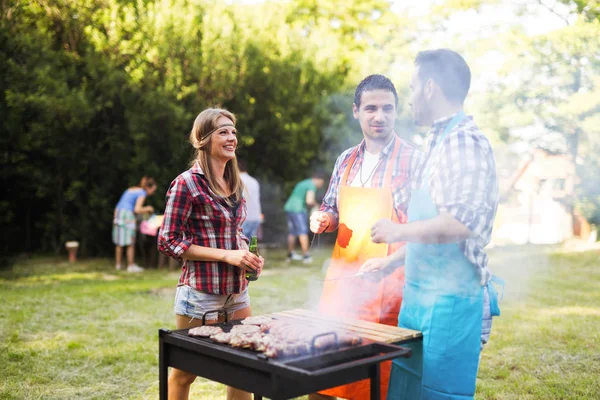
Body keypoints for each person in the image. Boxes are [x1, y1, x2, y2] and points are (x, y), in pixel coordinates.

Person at [363, 49, 503, 400]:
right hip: (419, 296)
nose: (409, 99)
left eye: (411, 88)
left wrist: (397, 232)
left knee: (440, 394)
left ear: (429, 88)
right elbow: (430, 226)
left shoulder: (464, 141)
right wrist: (391, 261)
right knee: (407, 389)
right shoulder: (437, 142)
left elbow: (460, 222)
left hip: (452, 302)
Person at [309, 74, 421, 400]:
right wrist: (324, 219)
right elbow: (332, 208)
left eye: (388, 109)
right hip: (342, 281)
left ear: (397, 112)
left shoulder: (413, 159)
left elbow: (421, 229)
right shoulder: (346, 159)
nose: (379, 116)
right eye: (371, 108)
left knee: (378, 379)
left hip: (388, 284)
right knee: (324, 370)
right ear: (356, 111)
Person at [158, 108, 264, 400]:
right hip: (201, 295)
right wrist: (226, 256)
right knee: (184, 373)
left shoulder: (236, 184)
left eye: (233, 132)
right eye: (223, 132)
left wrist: (245, 253)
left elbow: (234, 233)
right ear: (203, 139)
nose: (231, 138)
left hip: (238, 292)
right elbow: (168, 241)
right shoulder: (187, 184)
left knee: (244, 367)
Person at [113, 176, 157, 272]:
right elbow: (137, 209)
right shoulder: (142, 193)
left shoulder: (131, 189)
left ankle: (118, 265)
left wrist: (115, 217)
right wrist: (148, 208)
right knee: (130, 241)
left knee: (119, 242)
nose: (153, 193)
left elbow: (119, 205)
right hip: (128, 215)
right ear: (148, 187)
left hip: (118, 214)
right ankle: (131, 266)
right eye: (153, 190)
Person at [284, 170, 326, 263]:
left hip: (289, 207)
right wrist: (317, 205)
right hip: (298, 209)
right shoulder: (311, 185)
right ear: (317, 179)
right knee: (302, 231)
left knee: (292, 232)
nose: (321, 185)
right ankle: (306, 256)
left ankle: (290, 254)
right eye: (321, 183)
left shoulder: (303, 183)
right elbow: (309, 201)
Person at [238, 159, 262, 238]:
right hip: (255, 217)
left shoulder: (237, 180)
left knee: (241, 245)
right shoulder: (254, 181)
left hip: (244, 218)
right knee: (251, 245)